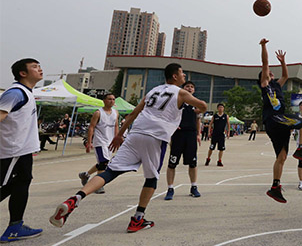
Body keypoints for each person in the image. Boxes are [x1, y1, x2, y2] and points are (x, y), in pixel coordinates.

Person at [50, 63, 207, 233]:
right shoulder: (181, 93)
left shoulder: (152, 91)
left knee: (110, 172)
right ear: (175, 76)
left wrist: (119, 135)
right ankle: (137, 219)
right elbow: (203, 106)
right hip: (155, 137)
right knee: (151, 179)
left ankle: (75, 199)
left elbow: (133, 114)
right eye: (182, 73)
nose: (184, 76)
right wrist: (197, 109)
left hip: (135, 133)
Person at [258, 38, 302, 203]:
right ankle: (301, 149)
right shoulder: (265, 85)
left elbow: (285, 75)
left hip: (279, 124)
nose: (271, 74)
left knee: (281, 157)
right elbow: (265, 63)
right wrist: (264, 46)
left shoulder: (277, 85)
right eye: (269, 73)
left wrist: (283, 62)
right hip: (274, 119)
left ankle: (275, 187)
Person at [0, 58, 44, 242]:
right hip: (12, 151)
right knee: (6, 186)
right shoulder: (16, 93)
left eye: (39, 66)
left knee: (21, 183)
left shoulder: (27, 93)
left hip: (23, 151)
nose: (40, 69)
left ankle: (15, 227)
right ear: (22, 73)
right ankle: (14, 227)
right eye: (34, 67)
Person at [165, 81, 202, 200]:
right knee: (172, 163)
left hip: (191, 134)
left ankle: (194, 187)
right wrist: (172, 127)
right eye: (187, 86)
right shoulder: (176, 102)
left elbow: (198, 120)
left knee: (193, 163)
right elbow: (168, 116)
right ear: (183, 89)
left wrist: (198, 134)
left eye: (192, 87)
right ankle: (170, 188)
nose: (190, 88)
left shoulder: (196, 104)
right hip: (178, 135)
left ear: (194, 90)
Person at [78, 93, 119, 195]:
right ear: (104, 100)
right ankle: (99, 185)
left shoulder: (115, 113)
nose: (112, 101)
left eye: (113, 99)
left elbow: (116, 126)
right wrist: (89, 142)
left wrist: (117, 139)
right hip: (100, 142)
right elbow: (91, 127)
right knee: (103, 163)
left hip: (110, 142)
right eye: (109, 99)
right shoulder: (98, 113)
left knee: (103, 163)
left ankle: (86, 175)